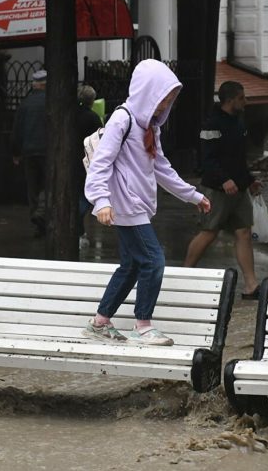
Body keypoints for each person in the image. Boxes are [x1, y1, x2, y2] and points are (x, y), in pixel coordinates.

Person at [82, 59, 211, 345]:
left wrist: (193, 194)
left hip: (138, 204)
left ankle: (100, 323)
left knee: (131, 266)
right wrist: (101, 201)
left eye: (170, 99)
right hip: (127, 206)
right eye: (163, 97)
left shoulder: (151, 126)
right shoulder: (122, 119)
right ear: (148, 92)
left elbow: (161, 168)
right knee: (154, 260)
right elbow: (101, 163)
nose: (166, 105)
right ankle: (143, 325)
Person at [183, 81, 262, 299]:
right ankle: (183, 275)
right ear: (230, 100)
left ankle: (251, 285)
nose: (245, 102)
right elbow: (207, 159)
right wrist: (224, 179)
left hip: (239, 188)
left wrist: (249, 180)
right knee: (209, 232)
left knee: (244, 231)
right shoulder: (212, 124)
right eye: (242, 98)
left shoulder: (238, 121)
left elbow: (239, 158)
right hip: (217, 189)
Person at [12, 70, 49, 237]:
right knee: (47, 185)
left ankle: (37, 219)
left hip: (28, 151)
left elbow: (17, 130)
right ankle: (41, 213)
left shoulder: (25, 104)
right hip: (47, 151)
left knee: (32, 187)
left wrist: (16, 152)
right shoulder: (50, 102)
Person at [75, 84, 103, 248]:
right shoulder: (93, 118)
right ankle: (77, 221)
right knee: (85, 196)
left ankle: (77, 225)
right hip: (87, 162)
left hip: (73, 160)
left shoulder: (72, 115)